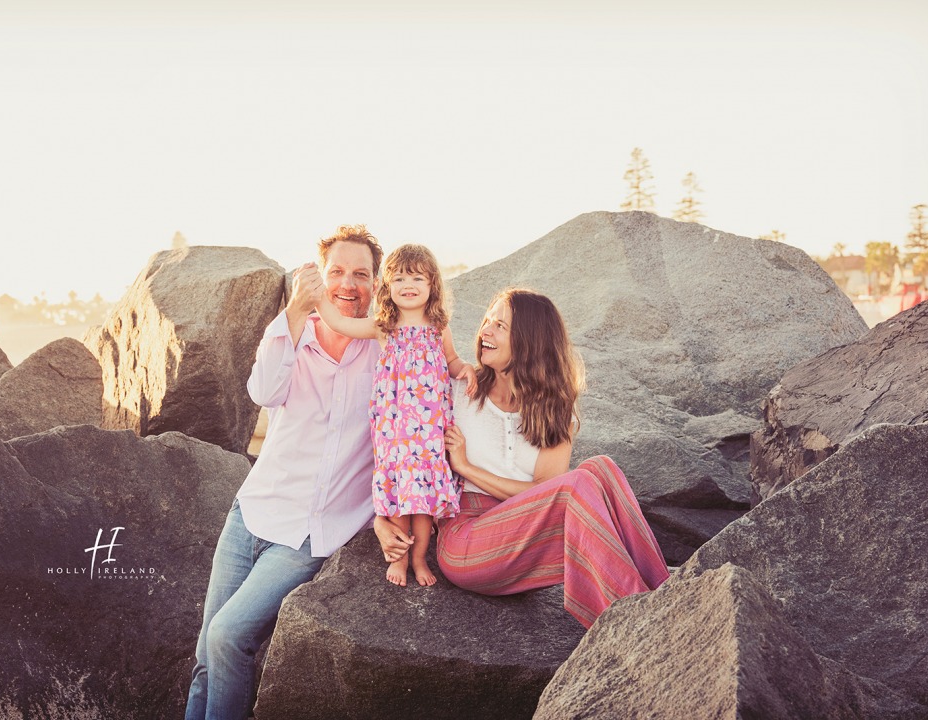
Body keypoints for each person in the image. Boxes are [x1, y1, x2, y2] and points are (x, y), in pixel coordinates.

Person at [375, 288, 669, 628]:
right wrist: (381, 518)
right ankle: (636, 621)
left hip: (524, 529)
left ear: (530, 340)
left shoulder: (555, 411)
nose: (484, 331)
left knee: (600, 467)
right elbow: (397, 450)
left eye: (499, 325)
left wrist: (466, 467)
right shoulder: (458, 390)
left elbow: (544, 491)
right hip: (466, 540)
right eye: (487, 321)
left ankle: (662, 592)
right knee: (579, 483)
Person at [185, 225, 382, 720]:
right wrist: (294, 312)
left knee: (229, 637)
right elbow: (263, 392)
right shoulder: (294, 335)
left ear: (376, 285)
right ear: (316, 276)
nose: (348, 284)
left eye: (361, 274)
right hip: (250, 515)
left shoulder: (387, 352)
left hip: (308, 534)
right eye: (337, 271)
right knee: (205, 658)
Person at [315, 243, 477, 587]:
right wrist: (313, 298)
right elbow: (339, 323)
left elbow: (452, 362)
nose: (408, 284)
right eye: (399, 277)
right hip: (396, 431)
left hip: (431, 433)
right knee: (401, 498)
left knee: (424, 504)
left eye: (417, 278)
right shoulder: (384, 326)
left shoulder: (438, 327)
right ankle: (400, 559)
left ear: (432, 285)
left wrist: (466, 370)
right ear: (387, 286)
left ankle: (420, 559)